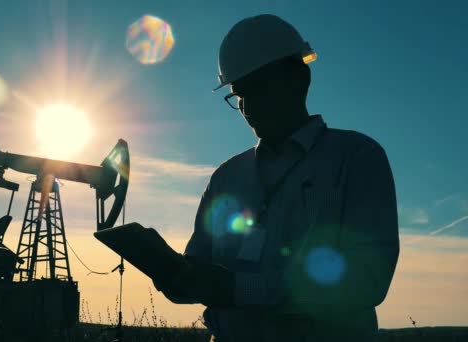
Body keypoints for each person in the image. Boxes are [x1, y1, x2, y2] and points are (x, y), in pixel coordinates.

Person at [153, 14, 400, 341]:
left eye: (258, 88)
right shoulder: (226, 178)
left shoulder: (356, 158)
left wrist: (238, 288)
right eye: (238, 95)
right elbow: (200, 273)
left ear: (300, 79)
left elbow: (367, 279)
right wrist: (174, 276)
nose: (247, 106)